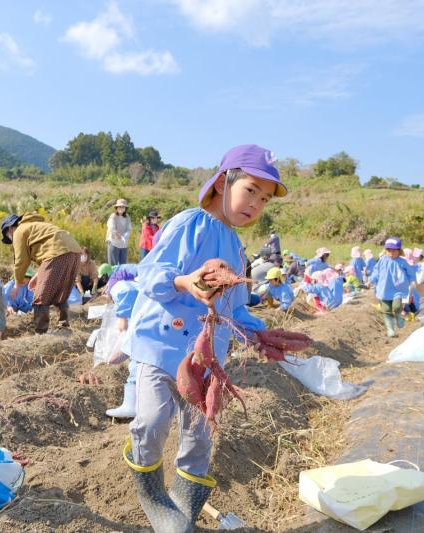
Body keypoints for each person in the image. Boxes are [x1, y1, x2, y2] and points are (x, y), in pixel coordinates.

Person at [123, 144, 287, 531]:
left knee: (200, 434)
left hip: (206, 357)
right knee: (152, 421)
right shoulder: (189, 224)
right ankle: (151, 494)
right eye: (251, 190)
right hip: (160, 345)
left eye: (265, 199)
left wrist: (260, 334)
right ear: (222, 183)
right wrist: (184, 281)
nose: (256, 204)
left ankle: (183, 506)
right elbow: (149, 273)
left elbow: (235, 309)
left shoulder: (236, 248)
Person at [0, 213, 82, 334]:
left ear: (10, 229)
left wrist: (17, 286)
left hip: (57, 254)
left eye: (8, 236)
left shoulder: (19, 231)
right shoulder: (35, 226)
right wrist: (37, 276)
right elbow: (48, 252)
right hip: (74, 252)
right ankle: (64, 325)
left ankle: (40, 331)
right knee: (61, 292)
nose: (11, 240)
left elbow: (21, 261)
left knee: (40, 297)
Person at [104, 274, 140, 418]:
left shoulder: (122, 289)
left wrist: (122, 335)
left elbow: (115, 358)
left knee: (136, 371)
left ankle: (130, 406)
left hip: (142, 351)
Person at [368, 237, 416, 338]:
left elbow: (411, 272)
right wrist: (370, 281)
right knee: (386, 310)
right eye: (389, 250)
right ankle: (390, 329)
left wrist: (412, 281)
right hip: (383, 289)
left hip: (397, 289)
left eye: (394, 251)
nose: (391, 253)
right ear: (385, 250)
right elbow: (376, 272)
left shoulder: (402, 262)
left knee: (397, 306)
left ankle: (398, 316)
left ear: (399, 251)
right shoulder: (382, 260)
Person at [106, 198, 132, 265]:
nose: (121, 208)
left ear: (125, 208)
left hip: (123, 244)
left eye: (123, 207)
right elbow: (111, 227)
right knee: (113, 265)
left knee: (123, 265)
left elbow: (129, 228)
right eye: (120, 207)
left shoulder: (127, 217)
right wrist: (117, 234)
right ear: (116, 208)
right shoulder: (113, 216)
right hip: (114, 242)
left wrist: (125, 236)